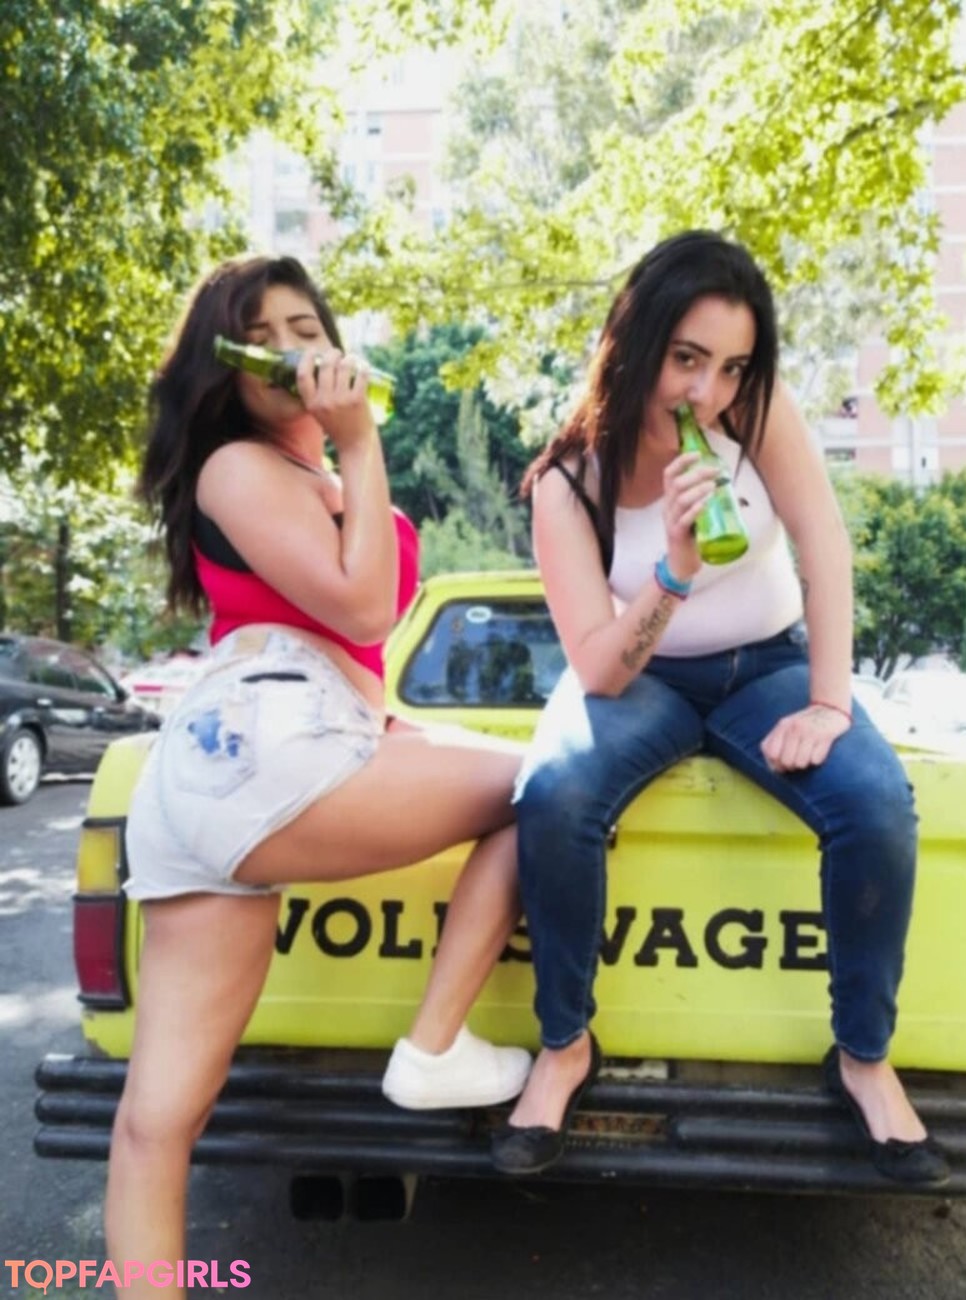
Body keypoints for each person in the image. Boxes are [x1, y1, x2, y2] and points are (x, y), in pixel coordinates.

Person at [106, 255, 531, 1297]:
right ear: (228, 367)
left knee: (158, 1121)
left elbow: (354, 658)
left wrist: (348, 460)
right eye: (263, 336)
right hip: (269, 737)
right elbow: (364, 608)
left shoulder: (299, 478)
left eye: (308, 328)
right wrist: (361, 438)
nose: (293, 351)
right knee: (549, 782)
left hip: (228, 762)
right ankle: (434, 1047)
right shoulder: (241, 465)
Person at [490, 230, 950, 1187]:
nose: (708, 393)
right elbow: (599, 671)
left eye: (732, 366)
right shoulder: (568, 483)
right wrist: (675, 567)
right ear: (633, 343)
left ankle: (863, 1059)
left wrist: (830, 703)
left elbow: (825, 546)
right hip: (642, 678)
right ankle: (566, 1044)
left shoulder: (756, 414)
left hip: (768, 669)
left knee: (876, 804)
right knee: (555, 794)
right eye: (687, 359)